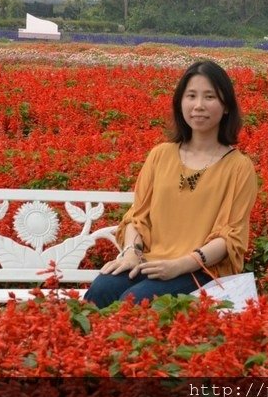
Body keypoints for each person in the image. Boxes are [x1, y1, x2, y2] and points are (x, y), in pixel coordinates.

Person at [84, 60, 258, 309]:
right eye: (191, 96)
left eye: (209, 97)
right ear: (180, 102)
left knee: (133, 303)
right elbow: (137, 217)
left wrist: (179, 265)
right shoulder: (160, 154)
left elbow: (230, 238)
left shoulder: (239, 167)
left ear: (226, 106)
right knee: (100, 291)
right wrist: (132, 252)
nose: (199, 106)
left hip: (201, 270)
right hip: (151, 261)